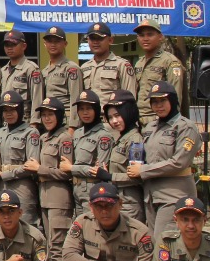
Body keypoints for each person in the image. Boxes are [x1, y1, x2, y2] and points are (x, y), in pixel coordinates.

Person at [130, 81, 201, 238]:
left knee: (166, 244)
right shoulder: (150, 128)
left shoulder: (185, 127)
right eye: (154, 102)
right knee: (155, 245)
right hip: (151, 196)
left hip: (173, 195)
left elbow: (179, 162)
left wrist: (142, 170)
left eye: (162, 101)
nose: (158, 106)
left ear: (173, 100)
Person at [27, 98, 75, 261]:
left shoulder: (65, 138)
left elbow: (67, 172)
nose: (46, 119)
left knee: (58, 243)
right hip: (44, 196)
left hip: (59, 197)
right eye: (44, 115)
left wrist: (39, 169)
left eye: (51, 115)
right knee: (48, 242)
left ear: (59, 116)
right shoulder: (43, 138)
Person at [0, 91, 40, 225]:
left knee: (25, 222)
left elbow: (31, 166)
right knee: (2, 223)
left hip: (22, 185)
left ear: (20, 110)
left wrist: (5, 174)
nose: (8, 114)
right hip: (1, 185)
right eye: (5, 110)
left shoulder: (31, 133)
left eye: (12, 110)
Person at [104, 90, 147, 222]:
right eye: (110, 117)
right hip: (117, 198)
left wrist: (109, 176)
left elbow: (136, 177)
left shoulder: (135, 140)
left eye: (118, 115)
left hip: (129, 203)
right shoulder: (121, 138)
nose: (114, 121)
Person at [70, 89, 113, 213]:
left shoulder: (103, 136)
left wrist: (71, 168)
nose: (85, 113)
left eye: (89, 108)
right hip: (76, 189)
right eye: (81, 109)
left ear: (96, 110)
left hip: (92, 189)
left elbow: (99, 171)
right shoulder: (77, 133)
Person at [133, 19, 185, 120]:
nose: (145, 38)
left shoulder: (170, 61)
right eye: (141, 35)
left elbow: (176, 96)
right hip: (138, 119)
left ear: (160, 37)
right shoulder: (139, 63)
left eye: (150, 34)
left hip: (157, 119)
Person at [80, 22, 137, 106]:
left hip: (113, 117)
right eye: (92, 39)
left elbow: (129, 98)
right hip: (90, 117)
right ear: (88, 40)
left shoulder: (121, 65)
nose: (96, 42)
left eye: (100, 38)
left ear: (110, 40)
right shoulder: (84, 67)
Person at [39, 26, 84, 125]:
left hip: (65, 121)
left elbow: (76, 99)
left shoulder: (72, 68)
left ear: (65, 44)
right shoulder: (44, 71)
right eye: (50, 41)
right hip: (49, 121)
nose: (53, 44)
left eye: (57, 41)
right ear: (45, 44)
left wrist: (74, 126)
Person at [0, 30, 43, 125]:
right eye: (7, 45)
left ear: (24, 46)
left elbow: (37, 99)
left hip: (24, 123)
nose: (9, 48)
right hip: (6, 123)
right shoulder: (2, 71)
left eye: (13, 44)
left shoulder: (31, 69)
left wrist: (34, 124)